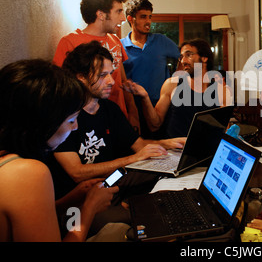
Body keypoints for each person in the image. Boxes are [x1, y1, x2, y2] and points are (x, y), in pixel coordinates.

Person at [51, 41, 185, 202]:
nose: (112, 81)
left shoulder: (110, 109)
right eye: (102, 75)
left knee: (171, 181)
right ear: (81, 77)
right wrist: (132, 159)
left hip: (112, 182)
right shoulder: (64, 115)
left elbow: (139, 145)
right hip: (81, 197)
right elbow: (77, 173)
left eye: (110, 74)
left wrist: (168, 144)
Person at [0, 59, 117, 242]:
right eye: (71, 120)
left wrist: (65, 203)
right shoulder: (27, 172)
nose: (76, 127)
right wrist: (89, 207)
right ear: (43, 123)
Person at [53, 0, 139, 130]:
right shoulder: (70, 42)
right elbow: (60, 88)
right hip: (85, 121)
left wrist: (133, 112)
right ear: (101, 14)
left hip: (117, 118)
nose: (123, 18)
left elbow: (123, 81)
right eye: (118, 11)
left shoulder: (116, 41)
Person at [123, 38, 231, 139]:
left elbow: (223, 129)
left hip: (204, 152)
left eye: (188, 55)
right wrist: (145, 97)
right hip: (174, 151)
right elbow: (154, 125)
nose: (183, 61)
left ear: (204, 58)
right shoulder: (172, 84)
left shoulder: (221, 91)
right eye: (181, 57)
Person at [121, 0, 180, 138]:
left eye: (150, 17)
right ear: (131, 19)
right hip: (135, 111)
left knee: (165, 152)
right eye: (143, 17)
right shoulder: (120, 46)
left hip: (162, 109)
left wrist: (176, 79)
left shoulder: (161, 40)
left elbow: (183, 57)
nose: (148, 22)